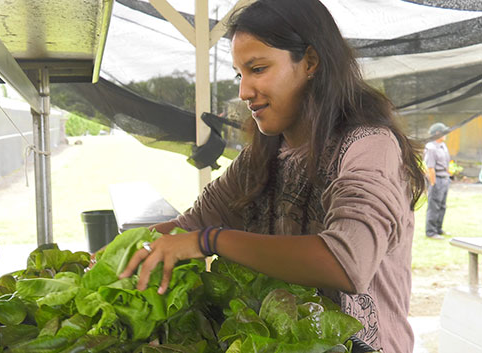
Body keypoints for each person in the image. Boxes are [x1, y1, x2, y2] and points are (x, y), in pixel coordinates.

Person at [119, 1, 426, 352]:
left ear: (310, 62)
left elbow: (347, 262)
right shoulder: (262, 156)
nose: (244, 91)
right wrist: (125, 251)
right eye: (240, 74)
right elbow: (188, 228)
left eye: (258, 69)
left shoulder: (369, 147)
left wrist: (210, 240)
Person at [424, 122, 451, 239]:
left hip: (445, 179)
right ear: (437, 133)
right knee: (434, 205)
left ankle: (438, 229)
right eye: (444, 132)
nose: (446, 134)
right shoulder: (431, 148)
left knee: (442, 205)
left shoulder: (443, 145)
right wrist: (433, 183)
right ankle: (431, 232)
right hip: (437, 180)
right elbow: (430, 168)